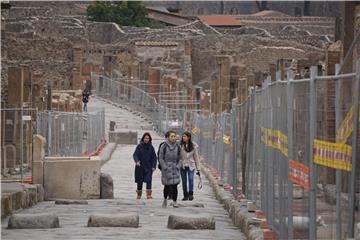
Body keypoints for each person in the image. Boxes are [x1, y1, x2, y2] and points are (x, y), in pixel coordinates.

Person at [159, 130, 182, 208]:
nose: (173, 138)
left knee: (175, 186)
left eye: (174, 136)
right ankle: (165, 199)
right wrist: (164, 167)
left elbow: (181, 158)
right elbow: (160, 158)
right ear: (168, 137)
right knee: (167, 186)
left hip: (175, 168)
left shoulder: (178, 146)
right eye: (171, 136)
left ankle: (175, 201)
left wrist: (178, 166)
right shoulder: (164, 146)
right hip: (166, 169)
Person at [133, 132, 157, 199]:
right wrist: (137, 161)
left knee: (149, 180)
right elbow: (135, 155)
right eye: (145, 138)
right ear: (143, 138)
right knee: (139, 181)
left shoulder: (151, 147)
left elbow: (154, 157)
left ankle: (149, 194)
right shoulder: (139, 146)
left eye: (148, 138)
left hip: (149, 166)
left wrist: (154, 166)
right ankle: (139, 194)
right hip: (140, 166)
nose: (147, 139)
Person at [180, 131, 200, 201]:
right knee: (184, 181)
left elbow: (196, 157)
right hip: (183, 165)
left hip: (191, 165)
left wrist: (198, 168)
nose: (183, 138)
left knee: (191, 179)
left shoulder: (194, 146)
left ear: (188, 137)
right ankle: (185, 194)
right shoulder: (180, 145)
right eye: (183, 136)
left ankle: (191, 194)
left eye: (185, 136)